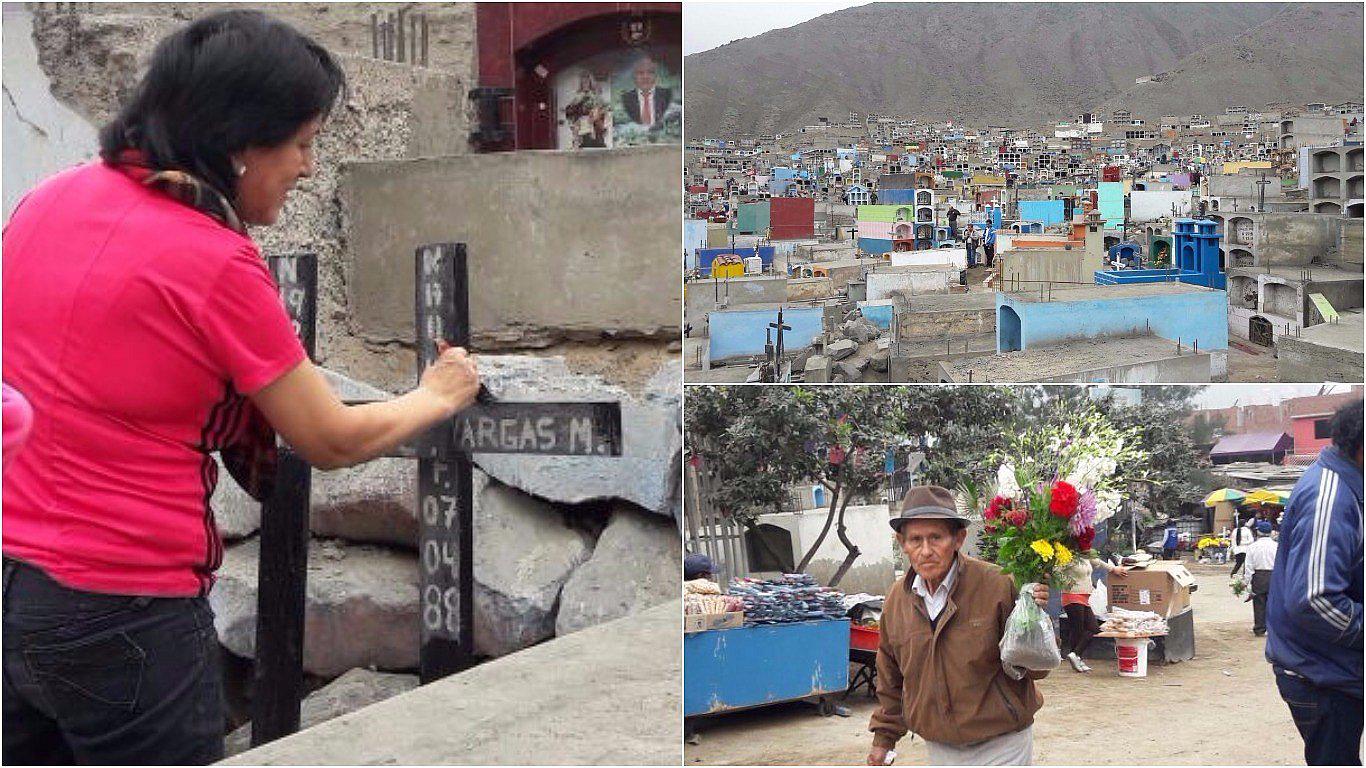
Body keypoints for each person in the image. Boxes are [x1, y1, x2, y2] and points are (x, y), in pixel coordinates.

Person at [2, 13, 480, 764]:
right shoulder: (211, 257)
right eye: (301, 143)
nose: (309, 167)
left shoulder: (47, 202)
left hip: (17, 594)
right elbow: (328, 437)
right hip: (128, 610)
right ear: (239, 143)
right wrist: (439, 394)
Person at [868, 486, 1050, 766]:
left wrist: (1033, 619)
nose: (925, 551)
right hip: (941, 745)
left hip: (1002, 740)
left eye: (936, 538)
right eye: (915, 540)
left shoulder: (997, 584)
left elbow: (1038, 669)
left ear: (958, 539)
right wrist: (884, 738)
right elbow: (890, 676)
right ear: (902, 543)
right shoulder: (896, 601)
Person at [1266, 399, 1363, 766]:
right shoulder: (1332, 496)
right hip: (1321, 676)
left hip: (1335, 669)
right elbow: (1315, 600)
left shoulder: (1352, 486)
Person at [1057, 550, 1126, 672]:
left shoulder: (1083, 554)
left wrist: (1114, 569)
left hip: (1084, 596)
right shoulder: (1066, 556)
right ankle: (1076, 656)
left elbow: (1097, 562)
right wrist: (1068, 582)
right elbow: (1056, 571)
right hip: (1072, 595)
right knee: (1080, 629)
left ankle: (1076, 656)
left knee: (1090, 628)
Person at [1244, 521, 1278, 636]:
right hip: (1274, 575)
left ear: (1258, 532)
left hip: (1258, 576)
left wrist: (1246, 582)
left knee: (1259, 603)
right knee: (1274, 603)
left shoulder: (1252, 547)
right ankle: (1273, 628)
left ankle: (1259, 628)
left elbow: (1248, 567)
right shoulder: (1276, 546)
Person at [620, 54, 672, 128]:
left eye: (650, 72)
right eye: (640, 73)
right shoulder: (625, 98)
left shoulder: (667, 95)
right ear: (634, 77)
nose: (645, 77)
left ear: (655, 76)